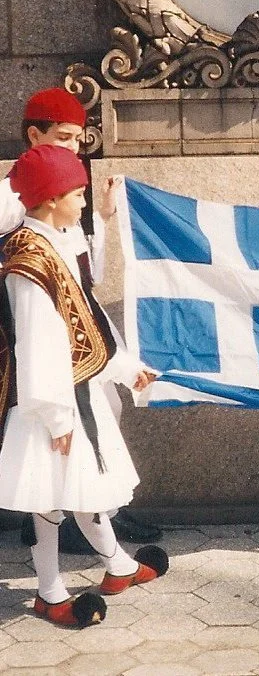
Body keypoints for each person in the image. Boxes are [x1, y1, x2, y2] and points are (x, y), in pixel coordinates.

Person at [0, 144, 168, 626]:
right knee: (51, 499)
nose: (83, 203)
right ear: (51, 198)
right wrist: (54, 417)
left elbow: (86, 321)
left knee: (87, 486)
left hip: (77, 391)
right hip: (51, 400)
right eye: (78, 193)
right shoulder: (29, 260)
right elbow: (36, 343)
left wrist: (124, 368)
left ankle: (117, 565)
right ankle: (50, 593)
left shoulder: (58, 240)